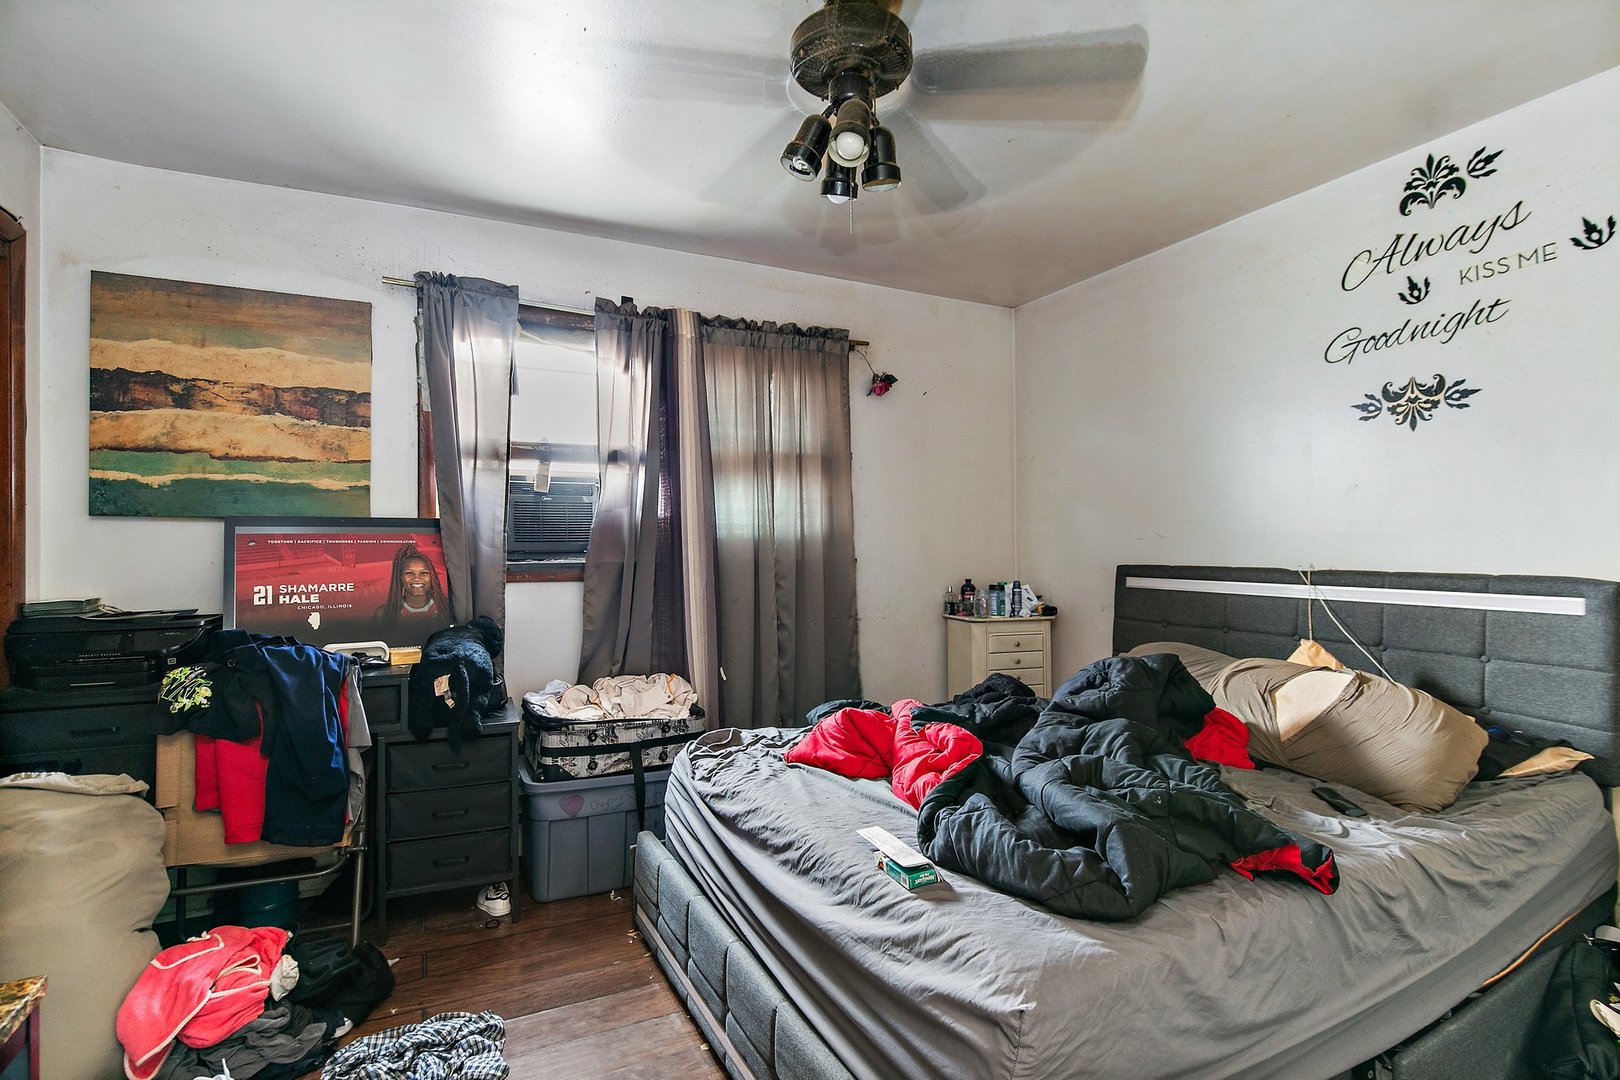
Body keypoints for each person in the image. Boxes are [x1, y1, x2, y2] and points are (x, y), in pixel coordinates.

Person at [372, 544, 450, 643]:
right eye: (409, 573)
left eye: (423, 573)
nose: (417, 579)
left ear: (432, 577)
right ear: (401, 578)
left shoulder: (447, 608)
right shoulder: (383, 613)